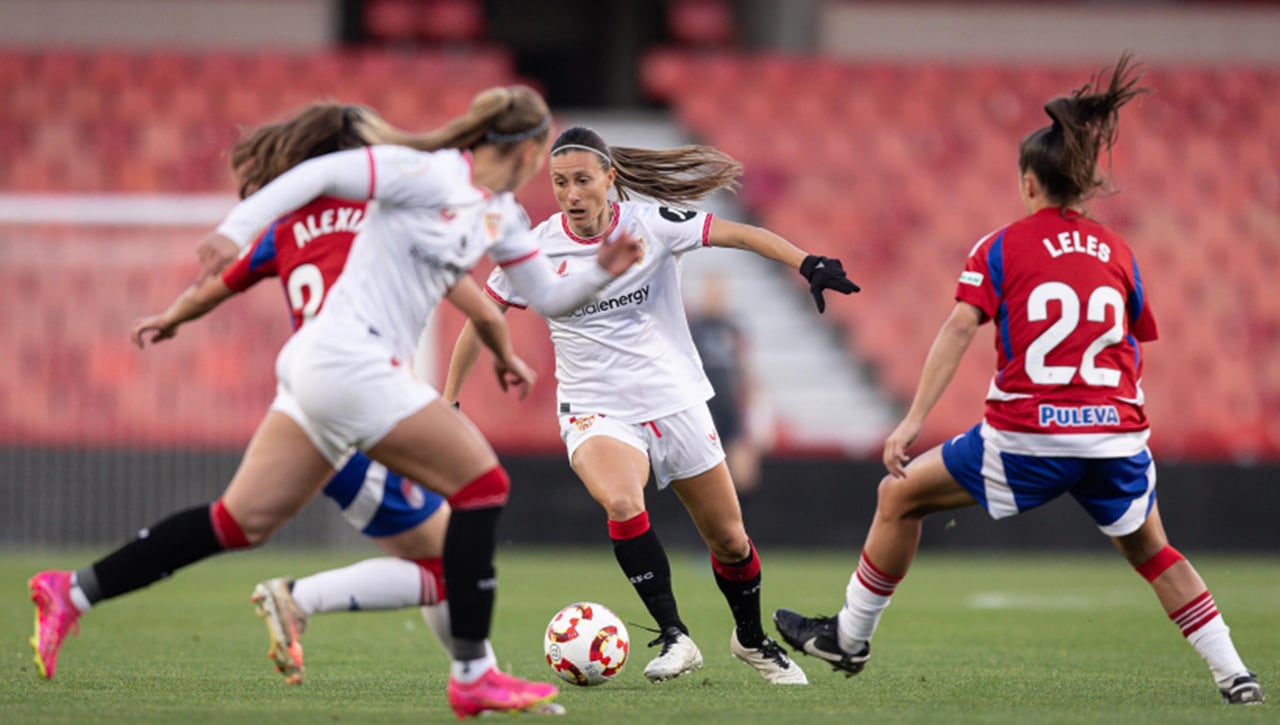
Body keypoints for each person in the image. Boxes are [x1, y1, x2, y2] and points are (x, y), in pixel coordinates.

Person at [29, 86, 643, 719]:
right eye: (544, 152)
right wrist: (232, 229)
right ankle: (473, 674)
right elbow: (320, 171)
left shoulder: (503, 216)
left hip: (323, 369)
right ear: (526, 146)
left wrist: (602, 271)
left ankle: (72, 592)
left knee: (239, 522)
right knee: (482, 485)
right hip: (352, 362)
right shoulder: (426, 172)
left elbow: (545, 294)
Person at [772, 54, 1264, 706]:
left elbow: (956, 328)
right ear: (1082, 184)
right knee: (1153, 550)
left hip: (1028, 433)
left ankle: (848, 638)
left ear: (1030, 182)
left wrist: (914, 419)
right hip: (1114, 436)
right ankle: (1237, 675)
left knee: (899, 498)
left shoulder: (1000, 246)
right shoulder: (1118, 251)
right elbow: (1137, 336)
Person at [444, 126, 859, 686]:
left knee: (730, 541)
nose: (572, 194)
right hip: (594, 408)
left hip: (676, 399)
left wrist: (807, 263)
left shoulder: (652, 225)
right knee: (620, 499)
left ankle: (751, 640)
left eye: (583, 181)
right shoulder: (536, 248)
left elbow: (740, 233)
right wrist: (449, 399)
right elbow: (484, 317)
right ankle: (675, 635)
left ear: (609, 180)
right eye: (561, 182)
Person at [126, 102, 459, 686]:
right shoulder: (383, 216)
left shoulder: (289, 227)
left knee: (446, 552)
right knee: (457, 552)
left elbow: (217, 287)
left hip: (320, 403)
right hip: (364, 412)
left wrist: (172, 316)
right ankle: (303, 599)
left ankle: (469, 670)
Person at [687, 272, 766, 495]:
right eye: (711, 292)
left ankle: (744, 521)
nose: (715, 297)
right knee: (705, 478)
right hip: (704, 410)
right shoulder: (692, 328)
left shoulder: (733, 328)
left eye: (719, 292)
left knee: (744, 475)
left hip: (730, 407)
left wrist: (755, 416)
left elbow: (746, 370)